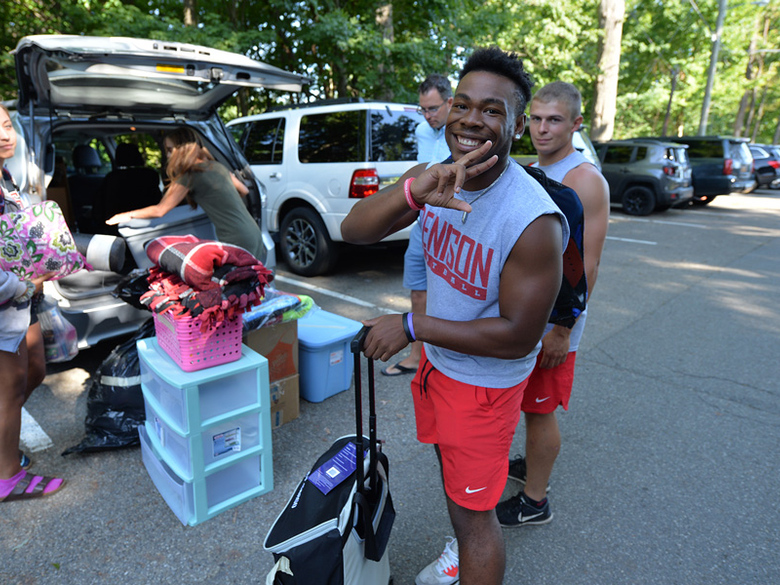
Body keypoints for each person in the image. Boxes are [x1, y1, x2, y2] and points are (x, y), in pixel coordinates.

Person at [341, 47, 569, 585]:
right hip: (441, 366)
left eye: (492, 110)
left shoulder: (532, 220)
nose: (471, 119)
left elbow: (518, 337)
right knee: (456, 493)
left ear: (516, 124)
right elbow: (356, 231)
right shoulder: (434, 175)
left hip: (484, 385)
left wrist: (411, 326)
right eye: (463, 104)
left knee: (474, 521)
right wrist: (414, 194)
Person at [494, 81, 610, 528]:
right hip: (525, 319)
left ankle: (535, 501)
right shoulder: (529, 169)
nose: (542, 129)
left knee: (540, 410)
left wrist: (562, 330)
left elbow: (589, 266)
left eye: (555, 120)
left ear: (576, 124)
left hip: (555, 325)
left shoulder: (584, 180)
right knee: (527, 404)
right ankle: (530, 466)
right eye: (536, 119)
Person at [0, 103, 65, 503]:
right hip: (10, 298)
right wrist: (23, 285)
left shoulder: (7, 177)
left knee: (35, 369)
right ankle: (8, 477)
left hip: (22, 299)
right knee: (8, 390)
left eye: (7, 125)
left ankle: (3, 443)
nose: (5, 134)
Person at [383, 74, 453, 377]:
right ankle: (417, 356)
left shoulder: (462, 129)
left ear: (450, 102)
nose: (428, 115)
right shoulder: (423, 130)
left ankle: (447, 359)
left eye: (434, 108)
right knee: (418, 291)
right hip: (424, 222)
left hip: (454, 224)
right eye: (423, 109)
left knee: (452, 292)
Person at [106, 127, 265, 260]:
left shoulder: (189, 175)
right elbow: (243, 190)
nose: (167, 156)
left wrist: (126, 215)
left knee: (238, 290)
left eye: (169, 150)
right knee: (254, 287)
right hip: (253, 232)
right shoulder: (216, 166)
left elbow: (160, 210)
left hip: (236, 238)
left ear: (182, 149)